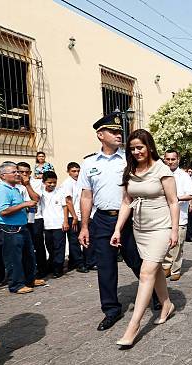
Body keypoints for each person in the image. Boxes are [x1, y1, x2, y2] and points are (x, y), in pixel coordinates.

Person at [110, 129, 179, 348]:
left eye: (140, 147)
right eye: (132, 148)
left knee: (146, 271)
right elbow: (125, 202)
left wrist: (175, 230)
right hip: (140, 228)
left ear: (149, 146)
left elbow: (173, 201)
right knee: (155, 269)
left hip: (161, 227)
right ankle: (166, 304)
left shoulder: (162, 169)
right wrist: (118, 229)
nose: (136, 151)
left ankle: (134, 326)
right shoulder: (129, 170)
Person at [78, 112, 145, 331]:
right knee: (105, 267)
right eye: (113, 131)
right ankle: (111, 310)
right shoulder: (88, 163)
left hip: (128, 220)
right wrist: (85, 226)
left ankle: (154, 295)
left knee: (136, 260)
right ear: (100, 135)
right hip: (101, 220)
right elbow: (86, 196)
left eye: (119, 131)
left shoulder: (129, 159)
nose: (119, 135)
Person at [0, 162, 39, 294]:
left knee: (28, 255)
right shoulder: (1, 190)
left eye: (17, 171)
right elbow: (4, 211)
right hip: (8, 229)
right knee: (13, 258)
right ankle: (16, 285)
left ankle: (30, 279)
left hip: (20, 226)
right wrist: (24, 204)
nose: (18, 174)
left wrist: (26, 206)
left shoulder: (15, 188)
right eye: (14, 172)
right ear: (3, 175)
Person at [162, 150, 192, 282]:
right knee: (165, 243)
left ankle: (176, 269)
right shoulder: (161, 174)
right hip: (163, 216)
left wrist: (174, 199)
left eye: (173, 159)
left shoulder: (184, 176)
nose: (170, 162)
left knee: (178, 244)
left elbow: (191, 195)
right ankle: (166, 266)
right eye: (168, 159)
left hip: (180, 216)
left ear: (178, 159)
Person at [17, 162, 48, 280]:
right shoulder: (14, 184)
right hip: (21, 219)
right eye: (21, 172)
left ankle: (42, 269)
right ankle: (28, 270)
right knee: (25, 246)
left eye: (27, 172)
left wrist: (27, 185)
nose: (25, 174)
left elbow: (36, 198)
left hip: (36, 218)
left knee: (38, 244)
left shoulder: (36, 182)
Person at [61, 162, 91, 273]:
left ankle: (85, 261)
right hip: (72, 216)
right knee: (74, 241)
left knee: (84, 239)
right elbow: (68, 201)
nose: (76, 173)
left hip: (81, 215)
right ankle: (79, 263)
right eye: (74, 171)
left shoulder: (80, 182)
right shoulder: (67, 183)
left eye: (78, 171)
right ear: (68, 171)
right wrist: (73, 216)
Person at [39, 171, 67, 279]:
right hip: (46, 225)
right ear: (44, 182)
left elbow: (65, 207)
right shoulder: (40, 193)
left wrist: (65, 221)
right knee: (49, 247)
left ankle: (58, 269)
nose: (52, 185)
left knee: (59, 247)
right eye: (49, 182)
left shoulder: (60, 192)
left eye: (54, 182)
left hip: (58, 224)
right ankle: (51, 265)